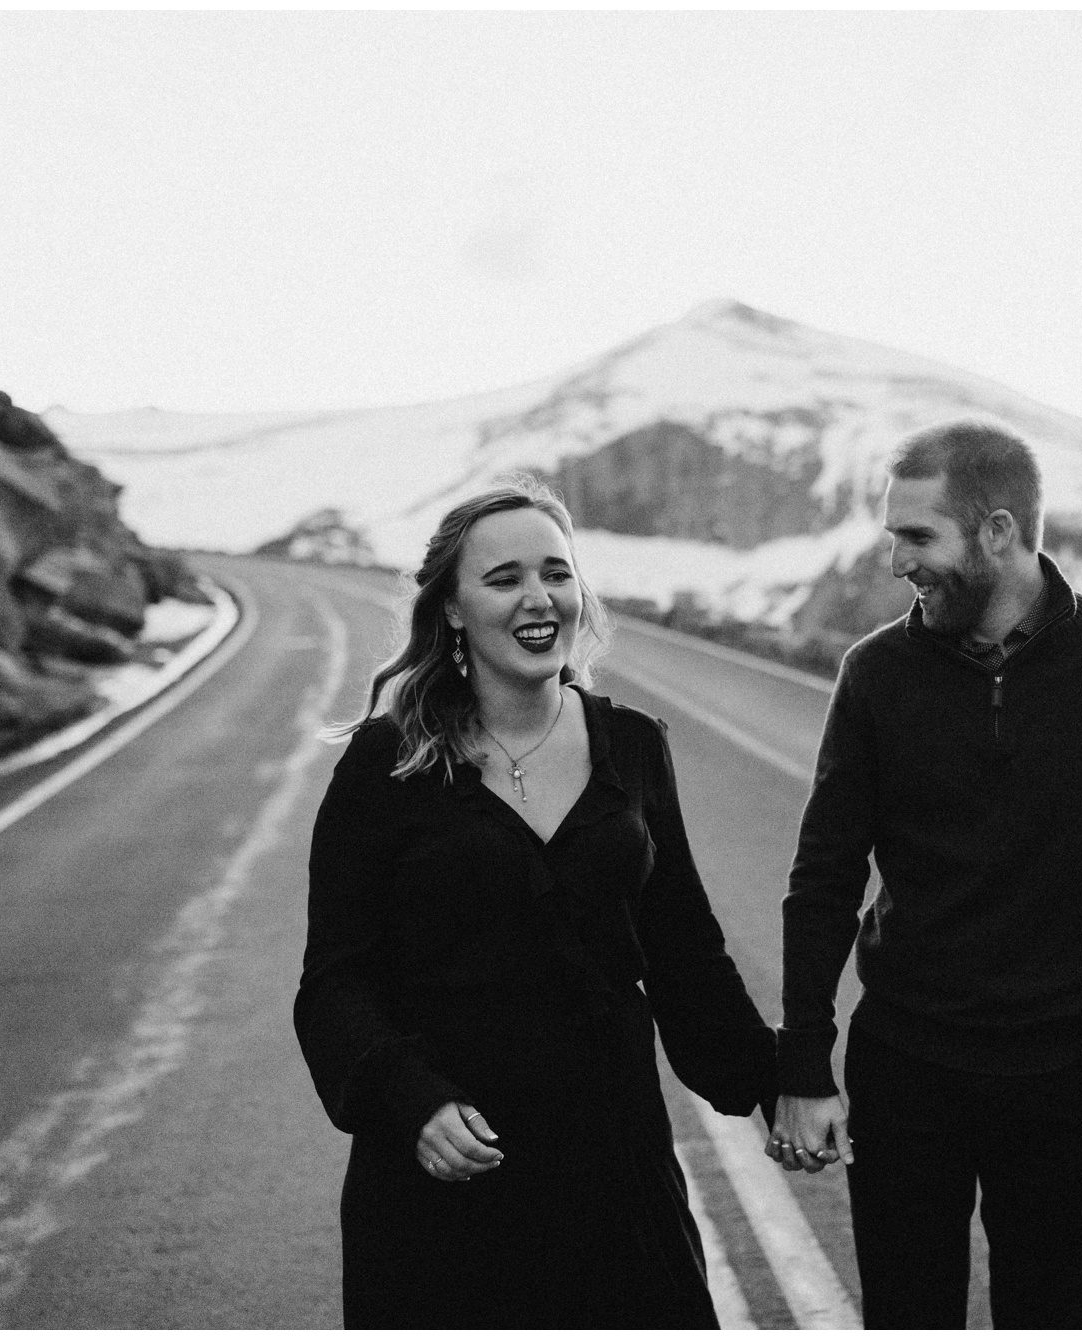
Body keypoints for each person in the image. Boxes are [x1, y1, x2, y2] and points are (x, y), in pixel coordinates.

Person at [294, 477, 776, 1328]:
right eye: (505, 578)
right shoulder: (387, 764)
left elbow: (685, 955)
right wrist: (410, 1101)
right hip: (450, 1175)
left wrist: (783, 1081)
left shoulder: (633, 746)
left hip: (613, 1166)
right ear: (452, 608)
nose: (539, 597)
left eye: (557, 573)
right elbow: (334, 982)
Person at [769, 419, 1082, 1328]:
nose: (898, 562)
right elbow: (826, 875)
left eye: (917, 536)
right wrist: (805, 1060)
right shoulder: (876, 673)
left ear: (998, 531)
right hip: (904, 1068)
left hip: (1064, 1075)